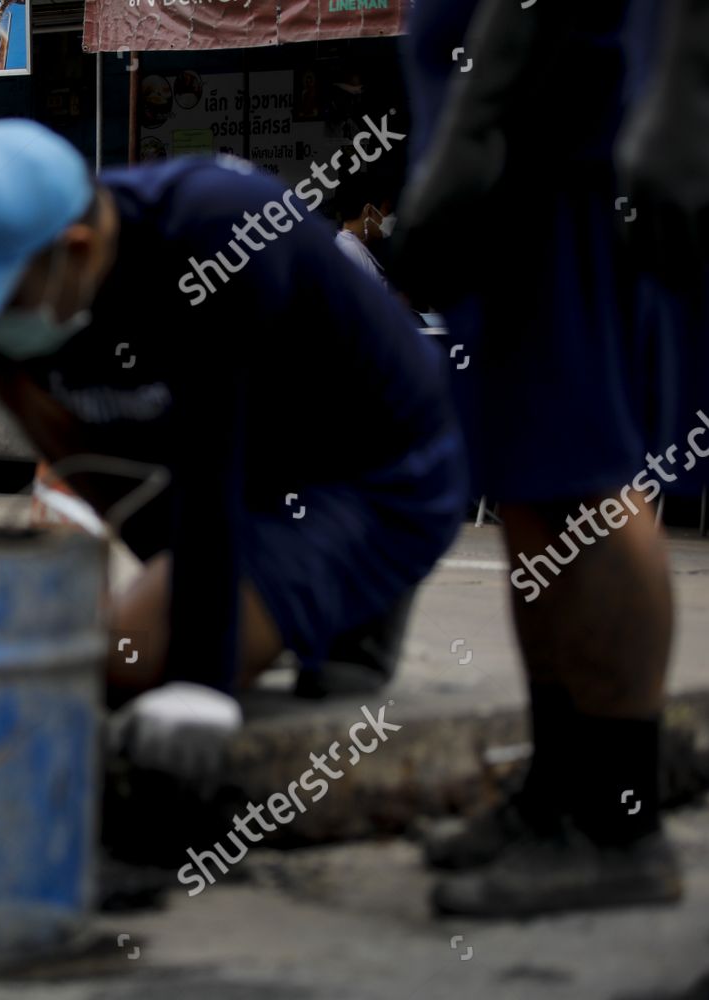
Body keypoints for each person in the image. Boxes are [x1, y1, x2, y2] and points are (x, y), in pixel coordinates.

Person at [0, 118, 469, 783]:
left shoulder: (220, 236)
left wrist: (198, 686)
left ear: (77, 249)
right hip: (237, 462)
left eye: (2, 297)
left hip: (370, 479)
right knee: (16, 377)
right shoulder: (30, 266)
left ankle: (356, 609)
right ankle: (250, 604)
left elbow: (212, 461)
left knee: (123, 662)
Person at [396, 0, 708, 916]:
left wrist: (473, 129)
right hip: (510, 146)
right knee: (532, 490)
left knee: (580, 479)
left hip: (551, 144)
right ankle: (559, 790)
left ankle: (621, 826)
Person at [332, 177, 389, 289]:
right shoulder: (350, 252)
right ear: (369, 211)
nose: (390, 217)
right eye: (387, 209)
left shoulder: (350, 247)